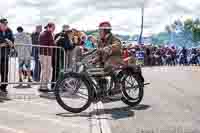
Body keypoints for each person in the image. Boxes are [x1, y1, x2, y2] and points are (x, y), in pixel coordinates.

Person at [51, 25, 74, 89]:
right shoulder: (63, 37)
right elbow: (67, 47)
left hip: (59, 56)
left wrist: (73, 44)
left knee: (59, 71)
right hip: (58, 57)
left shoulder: (63, 36)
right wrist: (72, 44)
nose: (72, 35)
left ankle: (58, 85)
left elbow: (69, 47)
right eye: (71, 34)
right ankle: (56, 85)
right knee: (58, 71)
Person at [39, 22, 55, 92]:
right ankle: (43, 86)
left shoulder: (43, 33)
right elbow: (51, 44)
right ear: (49, 27)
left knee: (45, 70)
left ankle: (43, 86)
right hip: (46, 54)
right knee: (46, 70)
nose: (54, 29)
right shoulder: (48, 33)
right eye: (53, 28)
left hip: (44, 53)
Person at [0, 18, 14, 98]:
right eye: (4, 24)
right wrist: (3, 43)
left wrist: (9, 42)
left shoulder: (9, 30)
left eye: (6, 24)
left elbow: (12, 42)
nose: (5, 26)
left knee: (5, 71)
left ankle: (3, 87)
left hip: (5, 54)